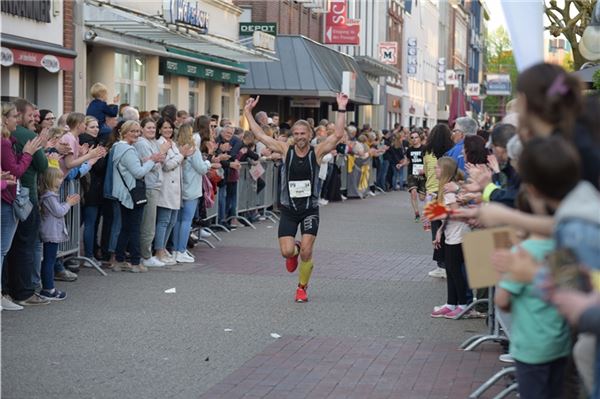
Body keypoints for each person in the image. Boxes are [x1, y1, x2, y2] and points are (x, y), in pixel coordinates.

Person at [243, 93, 348, 303]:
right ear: (293, 135)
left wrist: (341, 108)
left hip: (309, 209)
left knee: (307, 253)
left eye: (303, 133)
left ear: (310, 135)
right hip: (289, 210)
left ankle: (302, 287)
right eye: (297, 133)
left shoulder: (317, 152)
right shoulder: (285, 150)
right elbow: (261, 136)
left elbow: (337, 135)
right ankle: (295, 249)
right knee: (286, 252)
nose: (300, 136)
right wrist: (247, 112)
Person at [494, 194, 571, 399]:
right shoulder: (564, 250)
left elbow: (502, 300)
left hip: (530, 347)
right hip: (561, 343)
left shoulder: (521, 252)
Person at [6, 99, 50, 306]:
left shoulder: (9, 136)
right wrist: (33, 150)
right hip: (25, 198)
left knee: (9, 248)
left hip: (11, 196)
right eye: (31, 115)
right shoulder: (25, 137)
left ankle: (7, 291)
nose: (36, 119)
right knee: (24, 246)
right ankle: (24, 292)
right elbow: (41, 165)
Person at [111, 120, 164, 273]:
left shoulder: (117, 147)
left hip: (124, 193)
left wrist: (144, 161)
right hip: (131, 193)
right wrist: (152, 161)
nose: (136, 134)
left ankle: (119, 261)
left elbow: (130, 167)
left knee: (126, 228)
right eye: (132, 131)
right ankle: (135, 263)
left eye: (137, 131)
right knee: (134, 228)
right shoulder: (127, 149)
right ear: (124, 132)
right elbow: (138, 172)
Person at [431, 157, 470, 319]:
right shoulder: (447, 188)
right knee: (451, 270)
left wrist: (436, 213)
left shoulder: (449, 190)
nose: (434, 170)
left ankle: (462, 304)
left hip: (458, 236)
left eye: (437, 168)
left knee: (455, 271)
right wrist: (440, 229)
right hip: (451, 235)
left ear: (445, 170)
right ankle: (451, 303)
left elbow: (455, 212)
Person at [39, 166, 80, 300]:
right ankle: (48, 289)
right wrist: (68, 203)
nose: (62, 180)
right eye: (59, 177)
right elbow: (59, 212)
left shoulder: (50, 195)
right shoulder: (49, 196)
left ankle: (49, 288)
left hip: (52, 232)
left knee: (50, 260)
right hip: (50, 233)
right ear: (51, 180)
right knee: (49, 261)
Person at [172, 123, 211, 263]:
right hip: (191, 188)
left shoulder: (176, 147)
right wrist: (208, 163)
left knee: (178, 221)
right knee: (186, 221)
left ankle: (175, 249)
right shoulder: (193, 150)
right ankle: (181, 250)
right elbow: (201, 168)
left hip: (179, 187)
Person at [134, 118, 169, 268]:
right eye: (148, 127)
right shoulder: (142, 143)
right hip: (149, 186)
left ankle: (145, 254)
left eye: (153, 128)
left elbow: (160, 161)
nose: (151, 130)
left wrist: (159, 157)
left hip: (155, 185)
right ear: (142, 129)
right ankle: (145, 255)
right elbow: (152, 165)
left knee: (150, 222)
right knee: (148, 223)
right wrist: (159, 155)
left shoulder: (153, 142)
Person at [155, 118, 190, 264]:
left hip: (176, 188)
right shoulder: (160, 144)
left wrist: (181, 155)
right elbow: (167, 165)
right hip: (166, 187)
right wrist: (181, 155)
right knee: (164, 220)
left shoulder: (173, 144)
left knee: (172, 221)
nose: (168, 130)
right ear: (160, 130)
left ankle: (163, 247)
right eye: (165, 128)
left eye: (170, 128)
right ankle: (158, 250)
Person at [423, 124, 454, 279]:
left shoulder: (428, 153)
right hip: (446, 191)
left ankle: (441, 264)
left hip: (432, 194)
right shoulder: (451, 152)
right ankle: (447, 263)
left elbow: (426, 172)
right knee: (447, 228)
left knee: (436, 228)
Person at [405, 131, 426, 222]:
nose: (414, 139)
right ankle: (417, 214)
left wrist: (425, 170)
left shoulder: (425, 149)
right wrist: (401, 164)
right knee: (413, 192)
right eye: (412, 138)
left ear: (420, 138)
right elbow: (407, 161)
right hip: (412, 174)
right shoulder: (409, 150)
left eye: (416, 137)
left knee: (422, 198)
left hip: (423, 174)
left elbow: (428, 161)